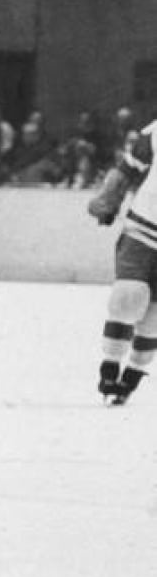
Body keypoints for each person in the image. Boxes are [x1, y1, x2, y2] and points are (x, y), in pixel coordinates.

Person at [87, 118, 157, 404]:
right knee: (129, 297)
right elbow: (127, 169)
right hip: (145, 223)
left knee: (154, 316)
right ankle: (111, 363)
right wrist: (109, 199)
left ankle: (135, 370)